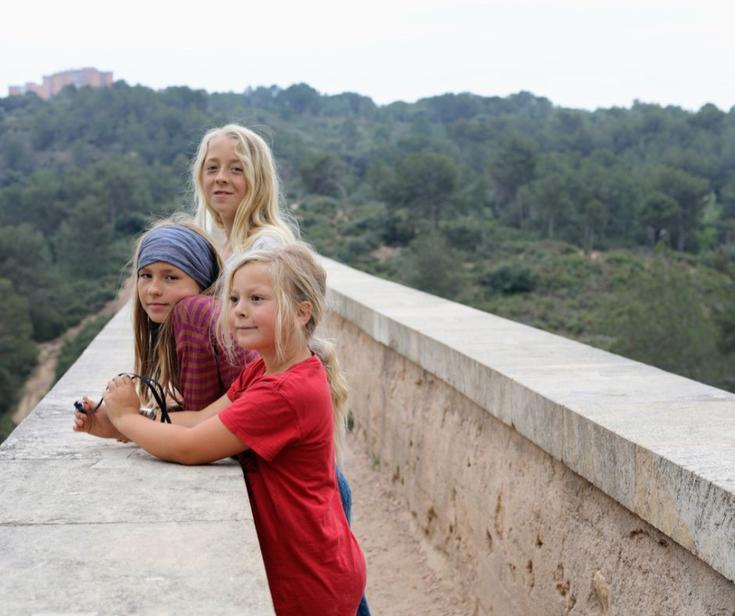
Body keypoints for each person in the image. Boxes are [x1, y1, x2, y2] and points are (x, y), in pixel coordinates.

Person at [97, 243, 366, 615]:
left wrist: (128, 418)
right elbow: (202, 418)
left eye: (257, 299)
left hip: (309, 580)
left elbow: (190, 446)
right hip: (312, 565)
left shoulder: (285, 392)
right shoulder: (265, 369)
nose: (239, 310)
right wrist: (122, 424)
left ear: (302, 312)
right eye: (234, 298)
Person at [75, 216, 255, 438]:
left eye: (170, 277)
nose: (153, 289)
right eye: (146, 275)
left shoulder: (195, 311)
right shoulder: (211, 319)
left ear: (204, 281)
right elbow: (207, 415)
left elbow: (199, 429)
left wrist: (125, 421)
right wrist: (128, 419)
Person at [191, 123, 296, 259]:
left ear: (259, 179)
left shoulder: (266, 247)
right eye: (212, 168)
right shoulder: (220, 247)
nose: (220, 178)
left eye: (236, 169)